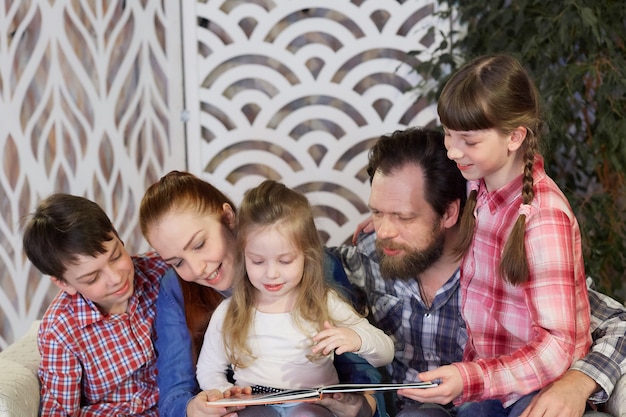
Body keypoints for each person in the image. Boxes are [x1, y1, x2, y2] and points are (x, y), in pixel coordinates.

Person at [329, 126, 625, 417]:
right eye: (378, 212)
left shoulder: (502, 262)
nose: (384, 231)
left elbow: (617, 324)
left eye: (403, 217)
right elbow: (303, 263)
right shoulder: (370, 253)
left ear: (448, 213)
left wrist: (579, 382)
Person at [414, 53, 593, 416]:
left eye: (468, 140)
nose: (451, 150)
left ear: (514, 136)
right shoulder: (476, 184)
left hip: (531, 388)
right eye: (448, 133)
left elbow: (558, 346)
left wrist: (470, 378)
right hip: (488, 385)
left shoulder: (544, 219)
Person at [139, 171, 385, 417]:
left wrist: (362, 405)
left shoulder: (311, 267)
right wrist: (197, 407)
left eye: (200, 244)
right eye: (177, 262)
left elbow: (359, 366)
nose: (196, 268)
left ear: (228, 218)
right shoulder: (176, 288)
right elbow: (176, 392)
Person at [21, 193, 169, 416]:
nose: (116, 278)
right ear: (63, 283)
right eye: (92, 278)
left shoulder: (160, 272)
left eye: (116, 256)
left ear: (118, 238)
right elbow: (61, 411)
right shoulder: (60, 330)